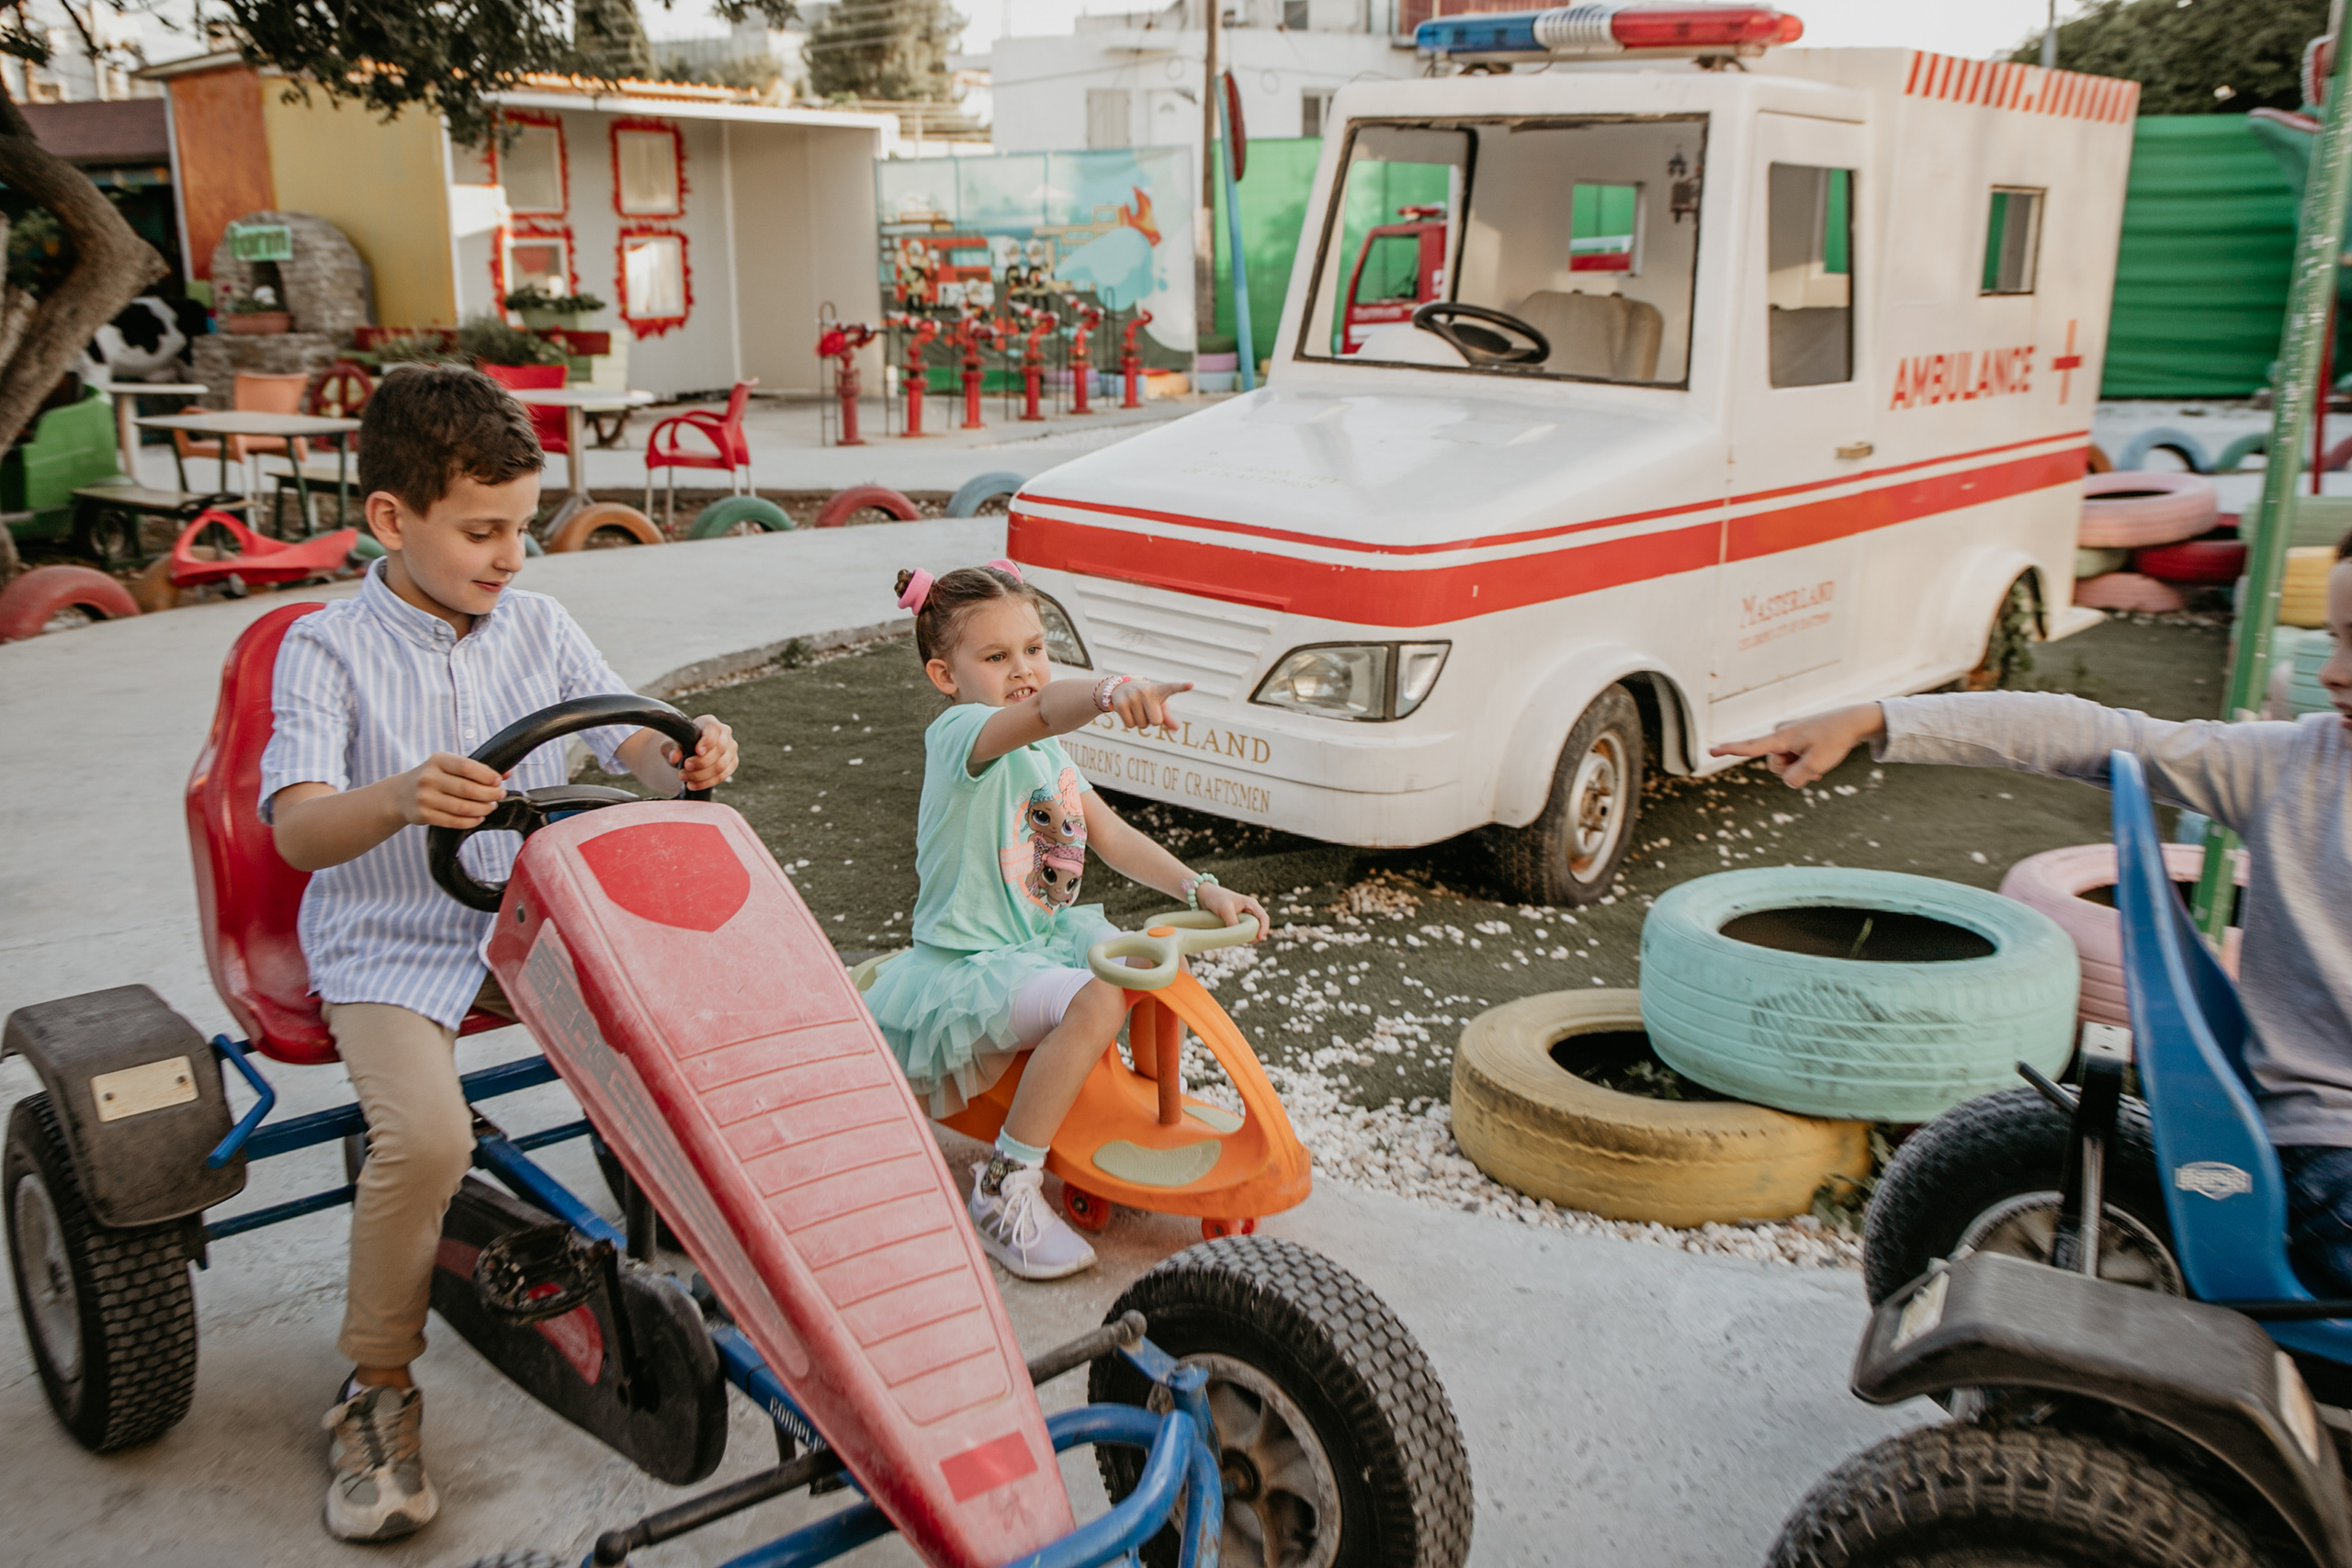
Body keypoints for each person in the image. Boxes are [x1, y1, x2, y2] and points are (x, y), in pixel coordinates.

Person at [260, 366, 739, 1542]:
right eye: (483, 531)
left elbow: (627, 735)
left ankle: (713, 1250)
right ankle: (375, 1388)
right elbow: (297, 827)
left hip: (529, 916)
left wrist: (685, 753)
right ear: (391, 519)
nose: (512, 555)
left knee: (697, 1033)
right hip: (387, 939)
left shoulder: (536, 621)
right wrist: (401, 797)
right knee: (429, 1138)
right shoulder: (325, 650)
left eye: (523, 527)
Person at [1712, 539, 2352, 1296]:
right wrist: (1872, 718)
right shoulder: (2294, 766)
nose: (2330, 672)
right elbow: (2086, 732)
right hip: (2325, 1149)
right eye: (2336, 637)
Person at [862, 560, 1270, 1280]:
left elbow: (1112, 837)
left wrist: (1202, 888)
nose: (1023, 670)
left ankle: (1136, 1103)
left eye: (1034, 649)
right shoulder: (965, 735)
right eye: (995, 657)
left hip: (1037, 940)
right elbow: (1047, 709)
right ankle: (1004, 1184)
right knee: (1096, 995)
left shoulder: (1045, 752)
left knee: (1142, 957)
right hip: (970, 966)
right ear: (944, 676)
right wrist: (1113, 691)